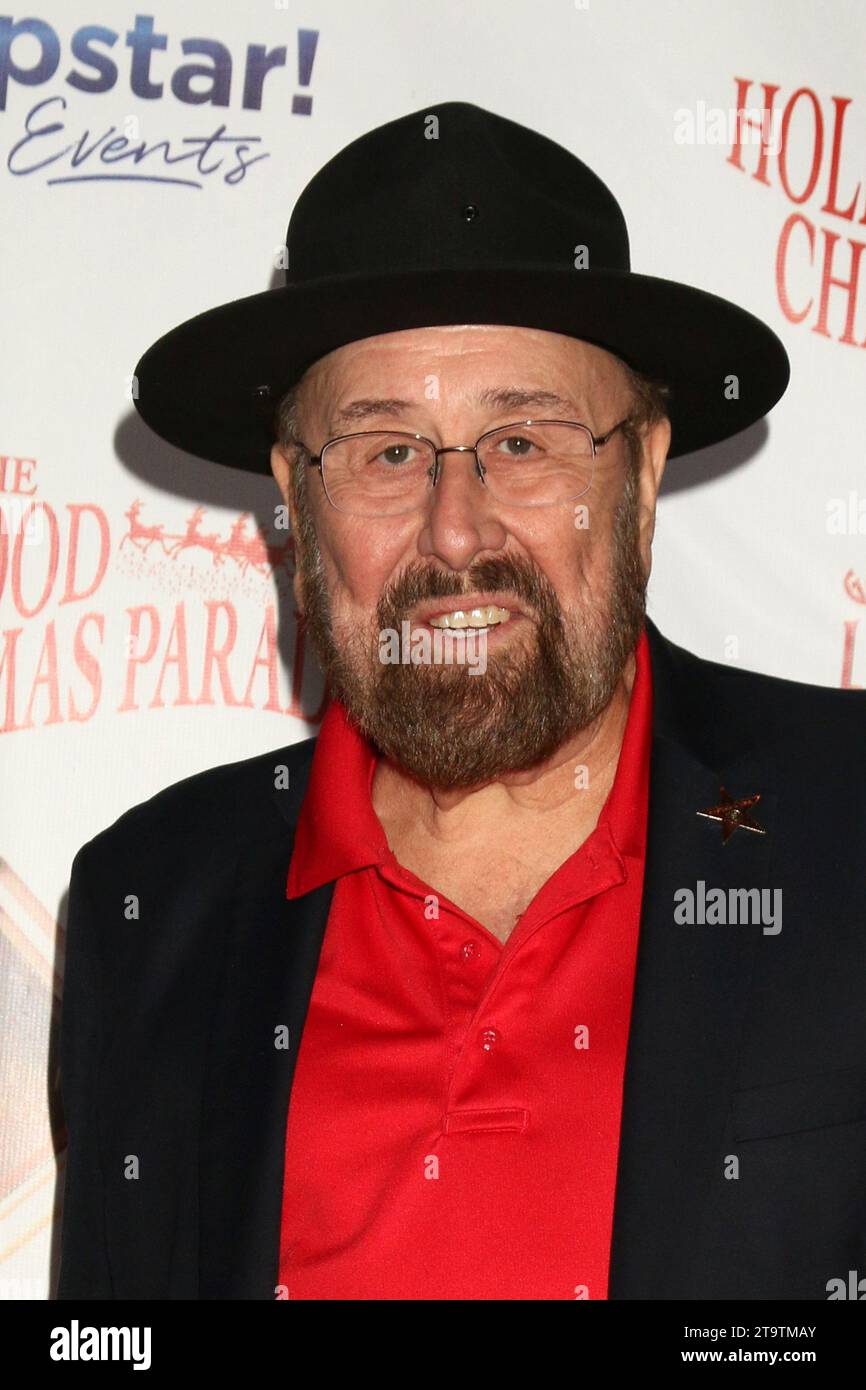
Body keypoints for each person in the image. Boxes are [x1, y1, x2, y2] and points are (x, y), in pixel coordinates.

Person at [56, 102, 866, 1301]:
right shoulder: (151, 907)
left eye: (523, 442)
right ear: (295, 499)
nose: (455, 529)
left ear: (641, 470)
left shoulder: (845, 826)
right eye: (386, 451)